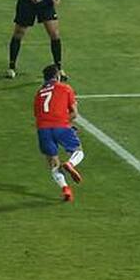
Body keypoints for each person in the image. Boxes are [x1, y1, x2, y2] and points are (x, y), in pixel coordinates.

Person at [34, 64, 84, 202]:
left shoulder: (39, 94)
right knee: (78, 151)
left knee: (53, 162)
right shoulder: (66, 88)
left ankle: (65, 189)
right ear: (57, 76)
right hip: (61, 126)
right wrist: (67, 124)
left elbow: (38, 115)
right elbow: (74, 113)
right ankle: (71, 164)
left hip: (43, 129)